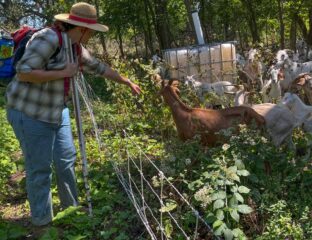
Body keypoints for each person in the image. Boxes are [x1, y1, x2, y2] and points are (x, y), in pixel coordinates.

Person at [5, 2, 141, 227]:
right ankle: (43, 224)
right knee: (39, 169)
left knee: (66, 159)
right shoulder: (47, 39)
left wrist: (126, 81)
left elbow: (98, 67)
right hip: (30, 113)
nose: (92, 36)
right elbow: (24, 72)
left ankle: (72, 210)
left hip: (57, 111)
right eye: (92, 32)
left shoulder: (75, 46)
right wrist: (63, 72)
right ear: (83, 29)